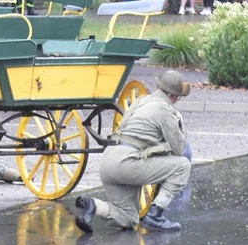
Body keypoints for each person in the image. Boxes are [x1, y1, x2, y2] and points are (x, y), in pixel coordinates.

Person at [74, 71, 192, 233]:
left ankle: (93, 205)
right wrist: (179, 124)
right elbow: (179, 149)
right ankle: (155, 216)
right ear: (175, 95)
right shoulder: (165, 110)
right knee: (182, 165)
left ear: (159, 86)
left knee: (128, 218)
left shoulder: (140, 102)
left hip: (109, 161)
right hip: (127, 163)